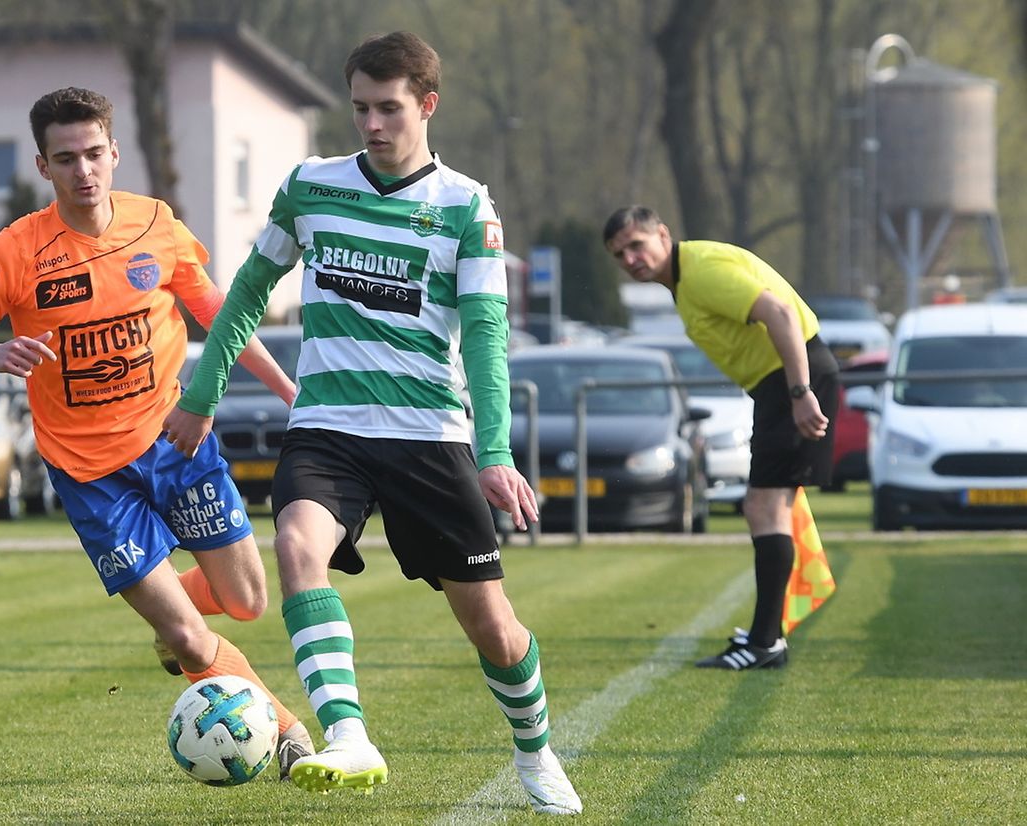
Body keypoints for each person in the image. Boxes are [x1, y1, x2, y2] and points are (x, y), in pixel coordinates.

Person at [162, 32, 582, 816]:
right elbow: (246, 293)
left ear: (426, 104)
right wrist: (202, 390)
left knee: (493, 627)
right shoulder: (310, 186)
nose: (372, 124)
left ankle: (536, 750)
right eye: (360, 107)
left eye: (389, 108)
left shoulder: (465, 207)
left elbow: (487, 338)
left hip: (430, 436)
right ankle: (347, 734)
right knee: (295, 543)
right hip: (328, 427)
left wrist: (493, 452)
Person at [0, 86, 314, 777]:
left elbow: (219, 315)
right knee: (193, 641)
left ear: (114, 151)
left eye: (94, 154)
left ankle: (172, 618)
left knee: (248, 601)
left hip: (177, 445)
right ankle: (287, 735)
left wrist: (287, 387)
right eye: (66, 158)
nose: (84, 171)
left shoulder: (155, 225)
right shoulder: (12, 255)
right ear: (44, 167)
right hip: (90, 477)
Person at [603, 205, 839, 670]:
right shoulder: (686, 281)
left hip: (788, 381)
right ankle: (766, 635)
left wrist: (800, 392)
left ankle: (766, 642)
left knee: (763, 508)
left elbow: (780, 314)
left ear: (663, 235)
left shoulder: (702, 271)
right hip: (779, 385)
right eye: (619, 255)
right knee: (768, 509)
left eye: (636, 245)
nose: (631, 259)